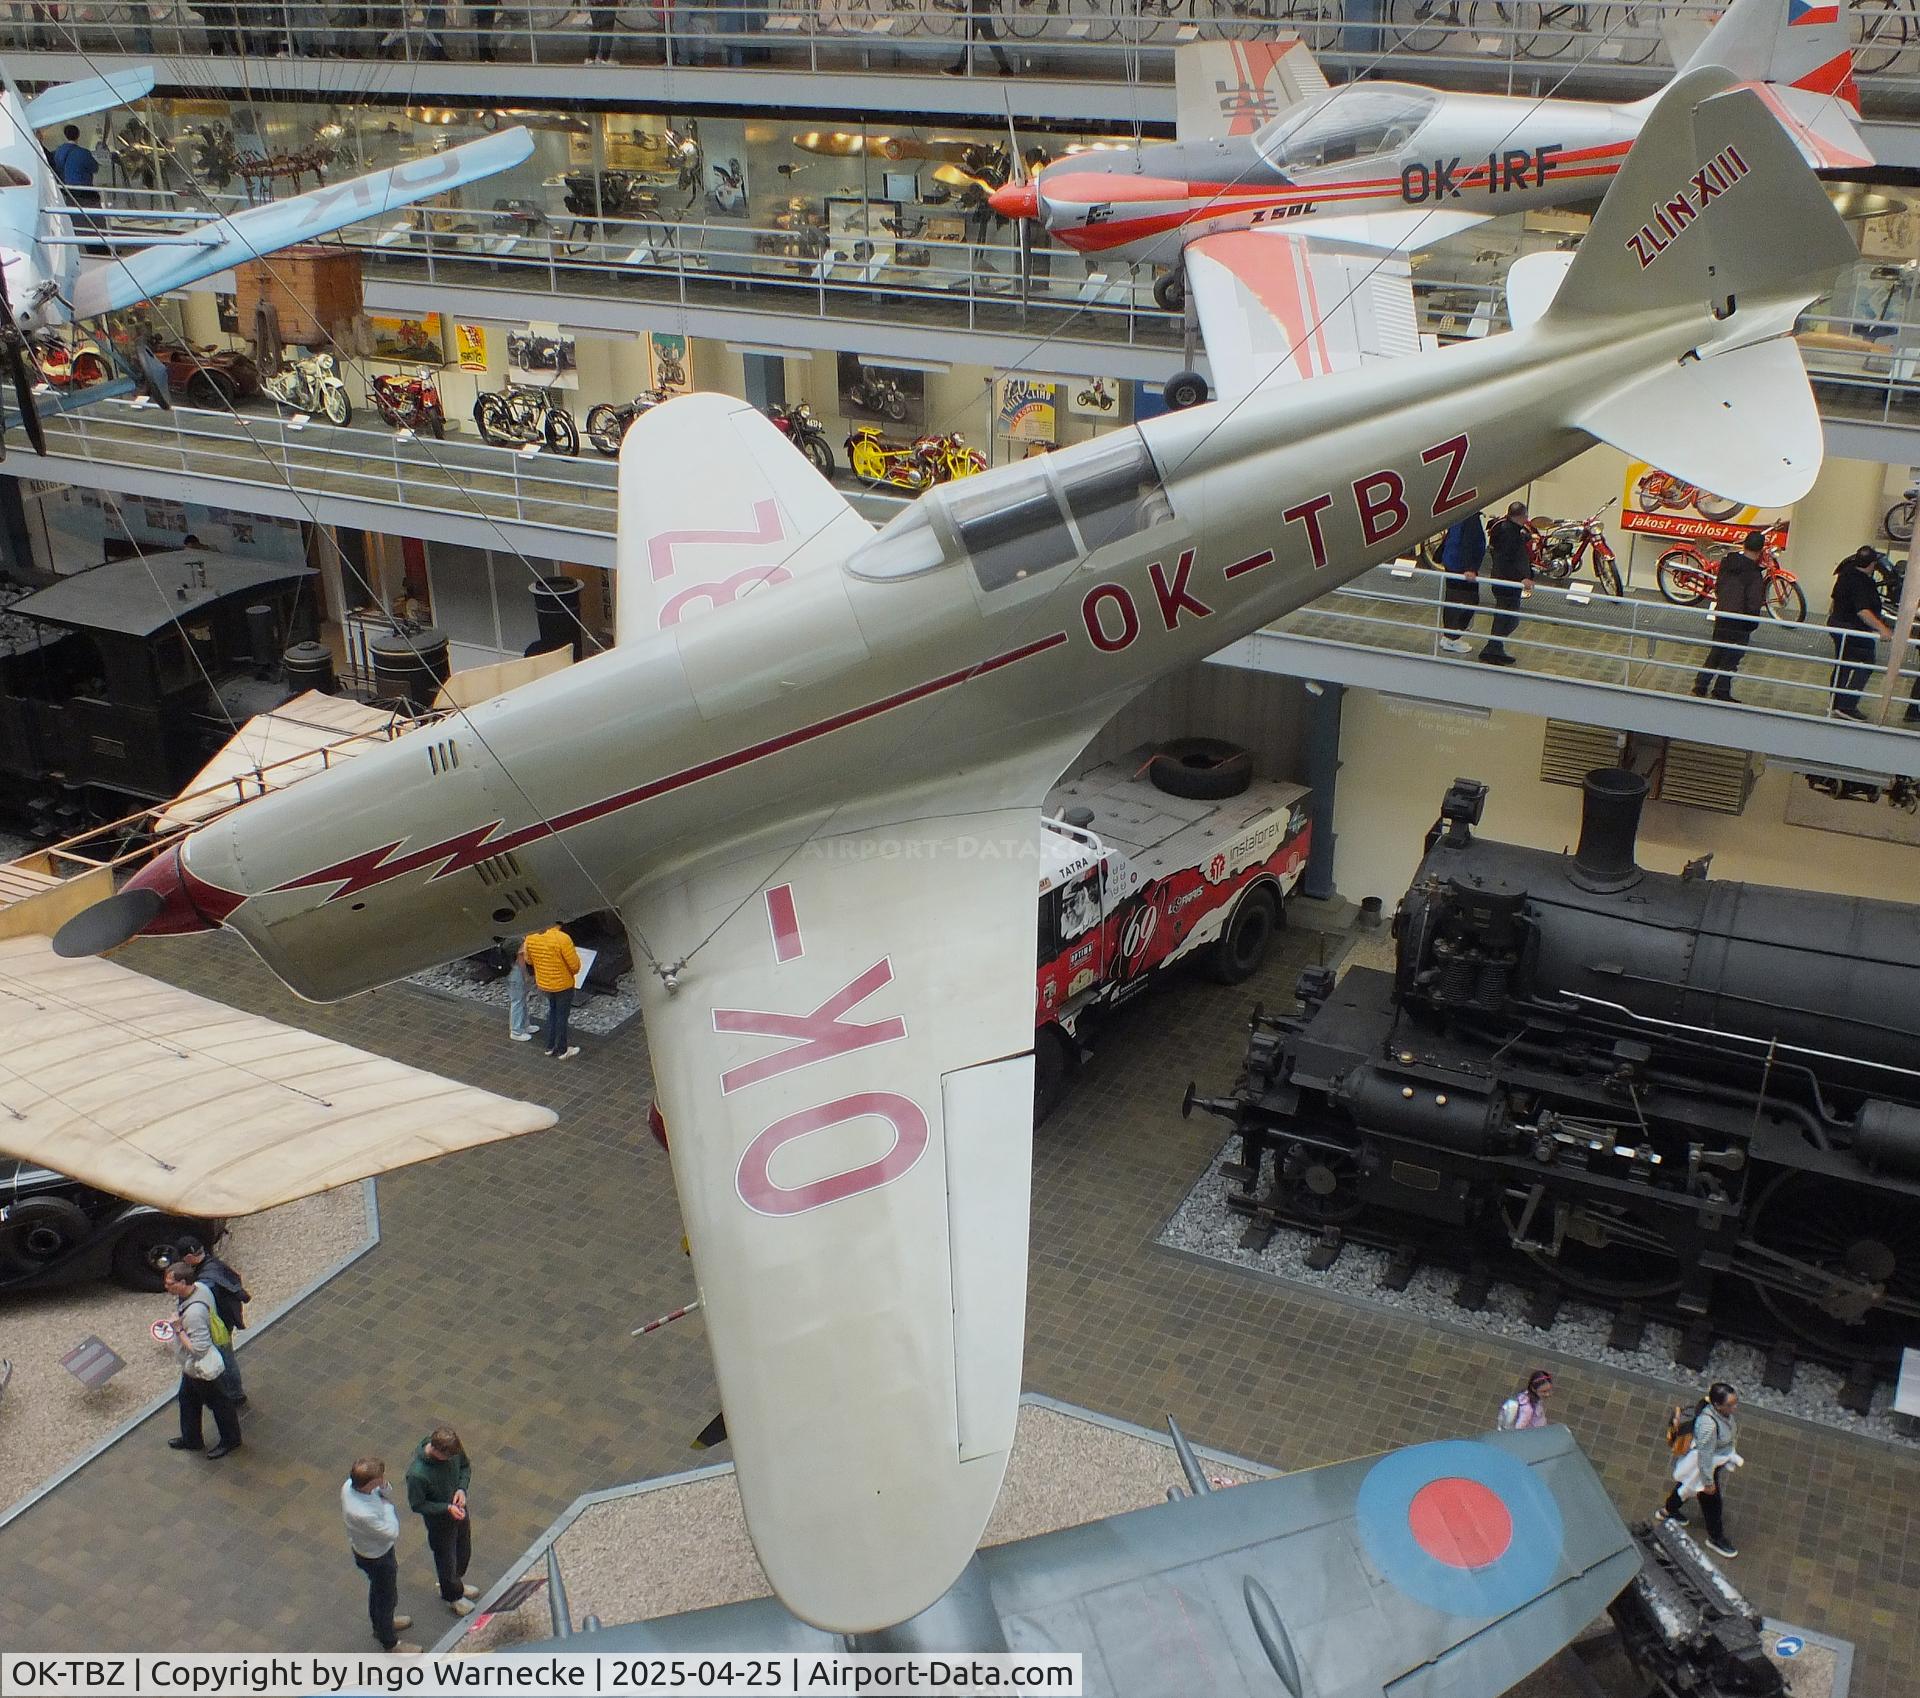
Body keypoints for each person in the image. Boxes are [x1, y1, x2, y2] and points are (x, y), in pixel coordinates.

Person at [162, 1262, 243, 1459]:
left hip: (200, 1367)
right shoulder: (202, 1289)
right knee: (188, 1398)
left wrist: (178, 1329)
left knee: (219, 1403)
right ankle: (191, 1438)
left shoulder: (194, 1314)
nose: (166, 1287)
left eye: (170, 1284)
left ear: (182, 1282)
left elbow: (199, 1349)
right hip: (192, 1368)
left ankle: (230, 1439)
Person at [343, 1458, 421, 1653]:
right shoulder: (362, 1513)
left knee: (379, 1591)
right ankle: (389, 1641)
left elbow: (385, 1492)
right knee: (385, 1596)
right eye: (379, 1479)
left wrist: (384, 1490)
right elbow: (391, 1532)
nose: (383, 1481)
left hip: (372, 1550)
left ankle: (382, 1625)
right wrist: (388, 1506)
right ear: (369, 1483)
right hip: (376, 1556)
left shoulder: (350, 1486)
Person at [1659, 1382, 1742, 1559]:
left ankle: (1668, 1510)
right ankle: (1715, 1537)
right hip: (1705, 1469)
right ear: (1718, 1405)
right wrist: (1708, 1482)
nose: (1735, 1407)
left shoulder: (1716, 1412)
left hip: (1708, 1466)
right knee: (1712, 1503)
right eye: (1730, 1404)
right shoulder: (1708, 1426)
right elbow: (1705, 1456)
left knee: (1686, 1488)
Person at [407, 1426, 479, 1615]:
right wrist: (446, 1508)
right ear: (436, 1450)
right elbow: (418, 1504)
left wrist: (462, 1489)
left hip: (459, 1510)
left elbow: (465, 1466)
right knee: (446, 1559)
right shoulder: (417, 1474)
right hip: (440, 1523)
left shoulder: (453, 1451)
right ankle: (452, 1595)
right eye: (447, 1458)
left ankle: (456, 1583)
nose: (450, 1461)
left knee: (463, 1551)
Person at [1691, 529, 1768, 702]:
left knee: (1716, 652)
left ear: (1744, 544)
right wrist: (1752, 623)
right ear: (1760, 550)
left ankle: (1700, 686)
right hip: (1741, 620)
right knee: (1732, 658)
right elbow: (1753, 602)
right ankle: (1721, 690)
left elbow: (1719, 587)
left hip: (1722, 613)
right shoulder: (1754, 574)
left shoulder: (1727, 563)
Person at [176, 1233, 249, 1408]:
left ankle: (234, 1395)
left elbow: (203, 1306)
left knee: (225, 1358)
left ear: (188, 1257)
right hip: (226, 1320)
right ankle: (233, 1393)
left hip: (218, 1325)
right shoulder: (214, 1265)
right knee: (226, 1355)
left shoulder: (206, 1280)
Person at [1828, 546, 1893, 720]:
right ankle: (1847, 706)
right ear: (1872, 564)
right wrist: (1882, 628)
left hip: (1837, 624)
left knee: (1843, 663)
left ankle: (1835, 702)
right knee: (1866, 662)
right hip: (1854, 629)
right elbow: (1863, 611)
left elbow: (1835, 600)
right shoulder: (1863, 583)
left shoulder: (1846, 574)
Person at [1478, 500, 1534, 666]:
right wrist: (1522, 578)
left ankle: (1494, 647)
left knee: (1505, 616)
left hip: (1503, 580)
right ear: (1522, 516)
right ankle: (1493, 648)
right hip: (1507, 582)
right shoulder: (1511, 535)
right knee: (1507, 617)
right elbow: (1509, 560)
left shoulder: (1505, 530)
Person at [523, 920, 581, 1059]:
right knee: (562, 1016)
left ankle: (549, 1046)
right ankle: (562, 1049)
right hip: (563, 984)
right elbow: (575, 966)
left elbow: (528, 960)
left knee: (552, 1012)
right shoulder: (562, 938)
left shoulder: (530, 936)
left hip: (544, 983)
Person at [1436, 510, 1486, 655]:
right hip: (1461, 567)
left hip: (1452, 562)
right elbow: (1470, 543)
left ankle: (1449, 636)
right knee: (1466, 601)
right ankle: (1452, 637)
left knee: (1453, 600)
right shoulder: (1471, 519)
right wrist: (1470, 568)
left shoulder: (1461, 513)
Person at [946, 0, 1012, 74]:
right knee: (991, 41)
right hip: (983, 13)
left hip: (975, 14)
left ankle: (959, 68)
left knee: (970, 41)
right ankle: (1005, 67)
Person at [51, 126, 99, 211]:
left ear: (65, 135)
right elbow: (95, 168)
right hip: (82, 191)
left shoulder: (58, 151)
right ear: (78, 135)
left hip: (65, 189)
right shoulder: (83, 153)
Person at [507, 937, 533, 1042]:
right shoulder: (519, 940)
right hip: (517, 973)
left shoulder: (509, 938)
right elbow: (520, 957)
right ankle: (516, 1031)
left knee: (521, 999)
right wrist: (526, 975)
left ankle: (524, 1025)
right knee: (517, 1001)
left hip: (511, 971)